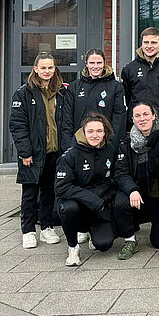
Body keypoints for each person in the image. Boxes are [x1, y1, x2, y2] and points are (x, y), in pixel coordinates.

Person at [10, 52, 72, 249]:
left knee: (49, 192)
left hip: (56, 152)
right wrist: (25, 152)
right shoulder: (23, 93)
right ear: (35, 69)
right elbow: (17, 125)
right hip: (33, 153)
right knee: (30, 193)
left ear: (55, 69)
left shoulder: (62, 92)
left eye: (50, 68)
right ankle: (28, 231)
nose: (47, 71)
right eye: (43, 68)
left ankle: (46, 227)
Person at [112, 102, 159, 259]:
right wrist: (132, 189)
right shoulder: (126, 143)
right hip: (138, 191)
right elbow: (121, 173)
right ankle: (130, 240)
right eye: (137, 116)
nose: (142, 119)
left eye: (145, 114)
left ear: (153, 115)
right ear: (133, 119)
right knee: (120, 202)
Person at [54, 113, 118, 266]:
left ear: (105, 132)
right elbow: (61, 187)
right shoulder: (70, 154)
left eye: (99, 131)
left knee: (104, 245)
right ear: (83, 131)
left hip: (99, 207)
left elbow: (115, 178)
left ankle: (91, 232)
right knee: (69, 208)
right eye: (90, 131)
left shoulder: (110, 150)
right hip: (78, 205)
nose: (94, 135)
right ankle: (73, 247)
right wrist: (93, 200)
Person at [121, 27, 159, 125]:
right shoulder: (129, 69)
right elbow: (128, 98)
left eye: (153, 43)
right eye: (146, 42)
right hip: (138, 125)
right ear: (141, 44)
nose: (149, 46)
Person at [67, 48, 127, 142]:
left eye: (99, 63)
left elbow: (119, 118)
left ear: (104, 63)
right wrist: (68, 144)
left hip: (105, 143)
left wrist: (112, 144)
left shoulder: (115, 87)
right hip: (79, 143)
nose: (95, 66)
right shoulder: (74, 87)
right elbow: (67, 118)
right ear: (86, 64)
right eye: (92, 63)